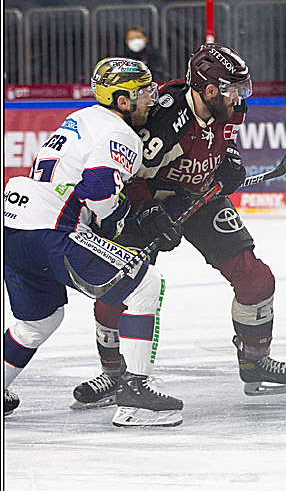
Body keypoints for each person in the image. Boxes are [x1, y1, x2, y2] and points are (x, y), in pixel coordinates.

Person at [70, 44, 286, 409]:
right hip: (146, 202)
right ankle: (115, 375)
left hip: (201, 197)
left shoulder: (230, 107)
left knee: (256, 278)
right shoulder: (164, 120)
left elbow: (224, 141)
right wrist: (148, 212)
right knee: (118, 290)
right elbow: (128, 174)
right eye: (233, 90)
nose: (240, 98)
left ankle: (255, 362)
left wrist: (230, 160)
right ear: (209, 90)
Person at [4, 58, 184, 426]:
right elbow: (100, 194)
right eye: (143, 93)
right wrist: (121, 217)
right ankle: (134, 395)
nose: (151, 99)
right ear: (121, 101)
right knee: (145, 283)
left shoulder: (81, 118)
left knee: (38, 323)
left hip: (14, 228)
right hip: (52, 231)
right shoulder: (121, 134)